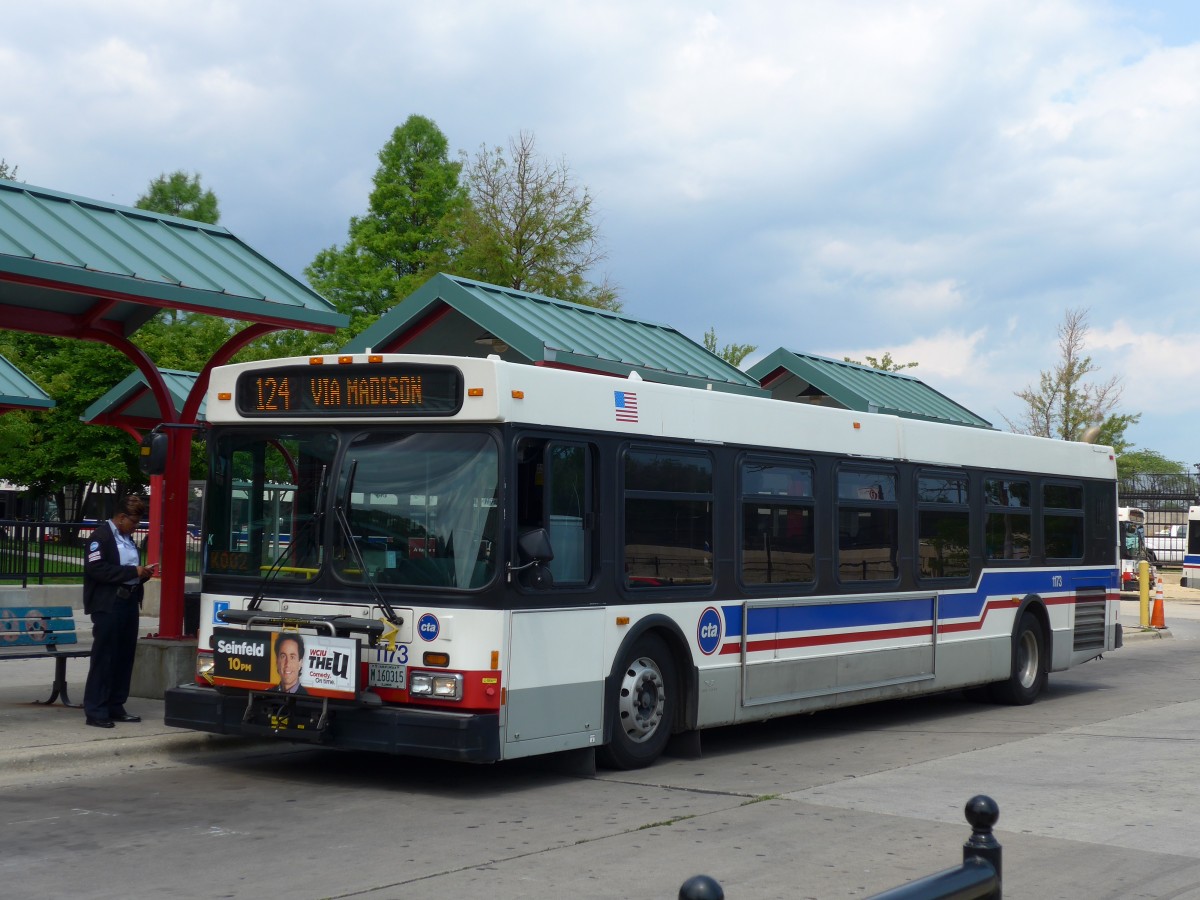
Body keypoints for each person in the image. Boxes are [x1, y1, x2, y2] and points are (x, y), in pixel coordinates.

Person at [82, 495, 155, 728]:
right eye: (133, 523)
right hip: (108, 604)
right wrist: (133, 571)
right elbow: (97, 569)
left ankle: (116, 705)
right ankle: (96, 709)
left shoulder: (126, 539)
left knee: (124, 656)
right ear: (121, 517)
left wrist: (142, 574)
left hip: (128, 601)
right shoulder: (100, 537)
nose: (135, 528)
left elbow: (128, 569)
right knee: (105, 657)